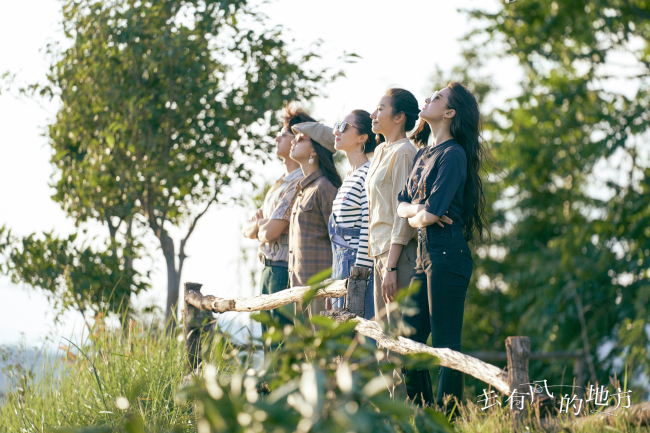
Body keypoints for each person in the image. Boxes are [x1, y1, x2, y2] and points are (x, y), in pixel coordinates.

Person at [397, 82, 490, 412]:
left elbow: (433, 212)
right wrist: (418, 213)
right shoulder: (423, 153)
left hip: (449, 255)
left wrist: (420, 213)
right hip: (426, 256)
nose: (427, 99)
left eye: (436, 98)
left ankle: (448, 420)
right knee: (408, 341)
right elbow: (403, 208)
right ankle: (423, 416)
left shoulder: (453, 155)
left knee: (447, 346)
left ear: (449, 113)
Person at [241, 106, 316, 331]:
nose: (278, 137)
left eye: (284, 134)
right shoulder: (279, 182)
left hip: (284, 269)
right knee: (268, 343)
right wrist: (261, 225)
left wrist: (260, 226)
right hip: (267, 267)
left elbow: (271, 232)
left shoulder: (298, 182)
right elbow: (247, 228)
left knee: (280, 344)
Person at [287, 121, 341, 320]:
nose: (293, 141)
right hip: (298, 290)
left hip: (320, 293)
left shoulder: (324, 188)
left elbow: (339, 241)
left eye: (301, 139)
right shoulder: (303, 190)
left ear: (315, 151)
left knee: (323, 351)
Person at [328, 110, 376, 319]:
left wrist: (360, 273)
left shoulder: (368, 173)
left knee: (357, 332)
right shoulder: (350, 175)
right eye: (337, 125)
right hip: (339, 261)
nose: (337, 131)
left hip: (354, 264)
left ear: (362, 137)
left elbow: (367, 222)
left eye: (345, 127)